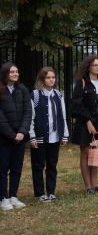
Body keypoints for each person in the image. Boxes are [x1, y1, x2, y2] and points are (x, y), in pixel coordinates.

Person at [71, 55, 98, 194]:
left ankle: (94, 184)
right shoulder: (82, 82)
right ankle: (87, 186)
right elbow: (76, 104)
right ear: (88, 66)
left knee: (96, 152)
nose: (97, 67)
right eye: (95, 65)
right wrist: (87, 120)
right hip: (85, 124)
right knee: (86, 152)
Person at [28, 67, 69, 202]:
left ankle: (51, 191)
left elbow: (62, 115)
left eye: (53, 77)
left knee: (52, 164)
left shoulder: (58, 94)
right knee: (38, 165)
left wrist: (64, 134)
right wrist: (32, 136)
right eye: (48, 77)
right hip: (40, 136)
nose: (51, 80)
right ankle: (40, 193)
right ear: (42, 79)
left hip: (55, 136)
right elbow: (31, 117)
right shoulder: (36, 95)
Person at [0, 62, 32, 210]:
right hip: (4, 138)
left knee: (16, 167)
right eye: (12, 72)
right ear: (5, 73)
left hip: (20, 137)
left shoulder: (22, 89)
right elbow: (1, 118)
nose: (15, 74)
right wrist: (12, 135)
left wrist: (22, 131)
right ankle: (3, 198)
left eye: (17, 71)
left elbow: (28, 112)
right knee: (3, 167)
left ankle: (13, 196)